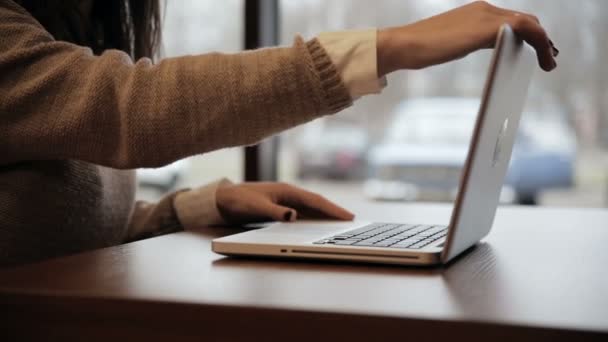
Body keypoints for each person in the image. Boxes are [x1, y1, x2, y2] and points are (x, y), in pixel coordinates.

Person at [0, 0, 557, 267]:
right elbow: (130, 108)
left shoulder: (69, 28)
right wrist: (392, 46)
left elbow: (56, 231)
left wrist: (195, 208)